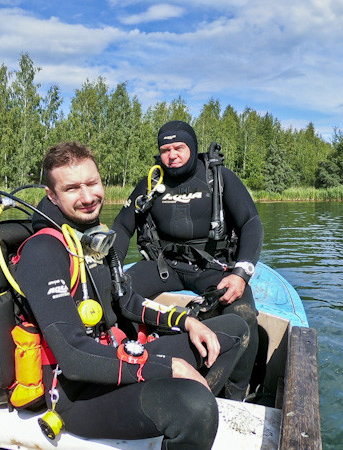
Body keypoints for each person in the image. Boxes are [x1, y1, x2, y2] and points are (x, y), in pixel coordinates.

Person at [14, 141, 249, 449]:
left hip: (118, 356)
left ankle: (187, 420)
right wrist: (166, 368)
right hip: (78, 392)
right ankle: (189, 412)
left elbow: (126, 301)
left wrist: (186, 322)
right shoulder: (43, 251)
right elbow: (74, 358)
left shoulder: (94, 238)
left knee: (234, 331)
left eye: (92, 183)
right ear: (52, 196)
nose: (87, 197)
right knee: (194, 408)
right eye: (72, 188)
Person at [112, 121, 263, 401]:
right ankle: (129, 358)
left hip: (211, 267)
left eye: (179, 147)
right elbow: (122, 227)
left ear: (192, 148)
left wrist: (241, 273)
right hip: (164, 266)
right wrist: (113, 267)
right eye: (165, 149)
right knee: (116, 292)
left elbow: (251, 223)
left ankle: (237, 394)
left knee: (244, 314)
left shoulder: (218, 177)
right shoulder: (151, 183)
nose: (172, 155)